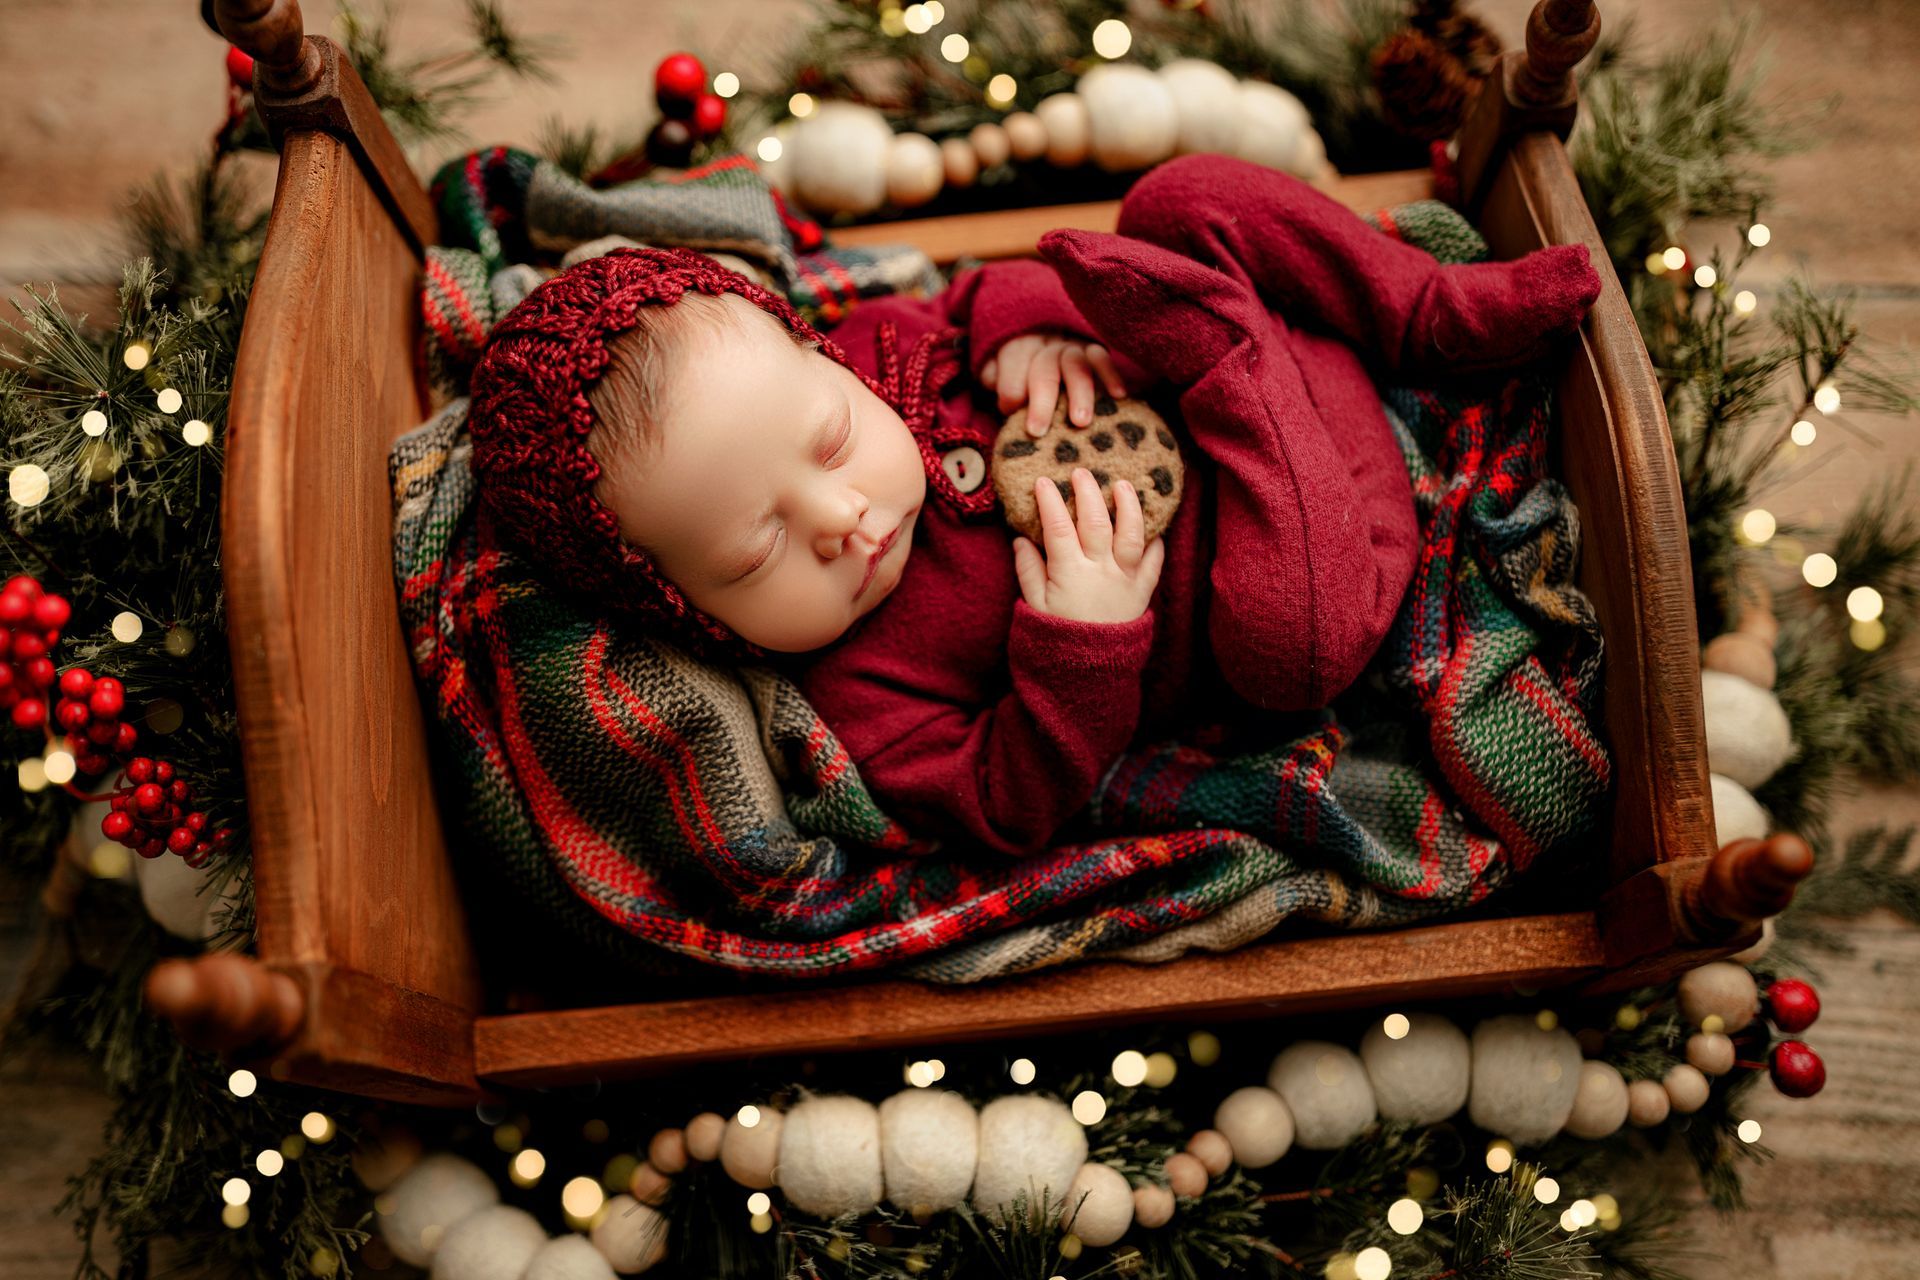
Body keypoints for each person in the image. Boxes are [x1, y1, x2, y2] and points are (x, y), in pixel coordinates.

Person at [468, 153, 1601, 858]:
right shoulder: (866, 696)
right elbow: (1006, 801)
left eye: (828, 437)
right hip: (1314, 537)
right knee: (1279, 648)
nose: (844, 516)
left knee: (1180, 196)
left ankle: (1425, 310)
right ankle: (1231, 357)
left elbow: (965, 296)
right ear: (690, 613)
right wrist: (1083, 642)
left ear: (825, 355)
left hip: (1318, 376)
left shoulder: (879, 347)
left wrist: (1037, 325)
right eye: (759, 550)